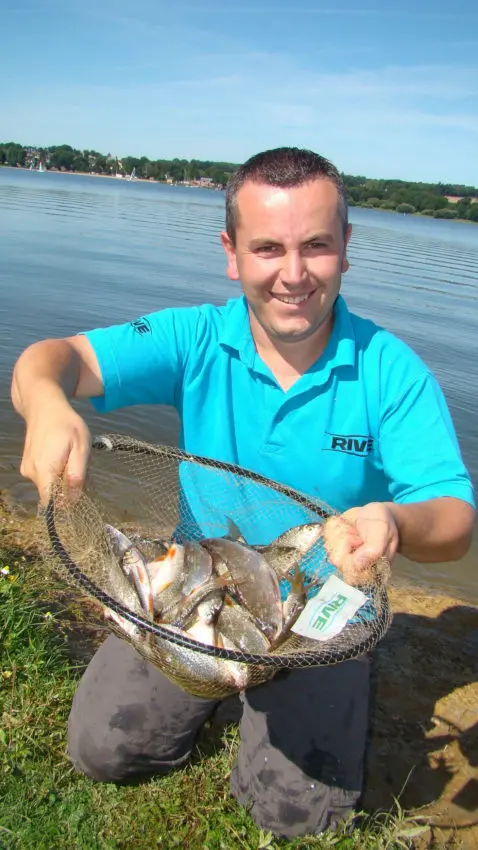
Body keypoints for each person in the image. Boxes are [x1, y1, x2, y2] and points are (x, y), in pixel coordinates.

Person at [11, 147, 475, 838]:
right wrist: (48, 403)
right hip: (198, 590)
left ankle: (299, 704)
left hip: (323, 615)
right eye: (268, 248)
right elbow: (52, 359)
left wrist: (395, 521)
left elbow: (457, 521)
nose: (293, 274)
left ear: (347, 248)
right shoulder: (196, 338)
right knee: (103, 750)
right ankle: (214, 694)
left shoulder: (392, 374)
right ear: (232, 254)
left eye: (316, 245)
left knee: (296, 818)